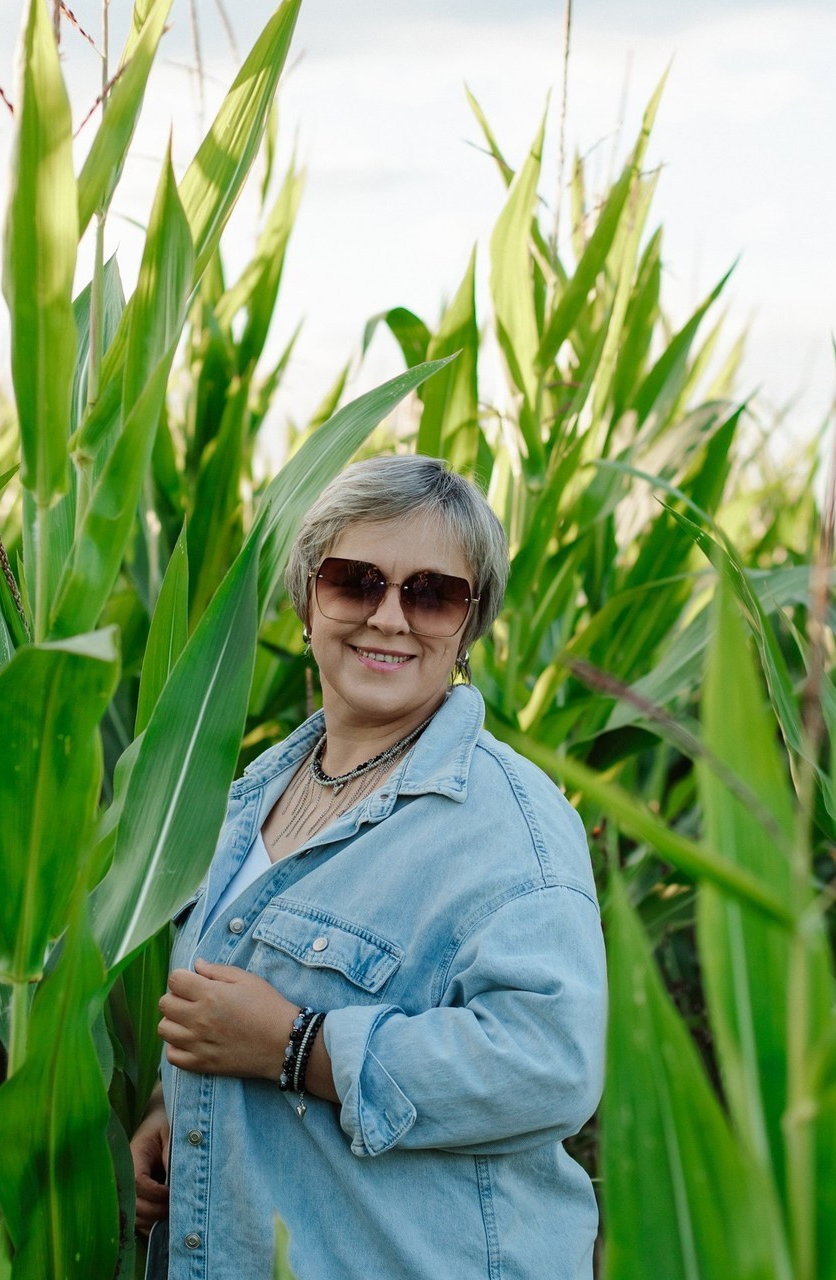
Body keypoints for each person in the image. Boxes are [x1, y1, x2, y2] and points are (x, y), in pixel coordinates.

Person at [130, 455, 606, 1279]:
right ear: (307, 603)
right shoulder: (247, 793)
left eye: (431, 593)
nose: (390, 617)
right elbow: (224, 1006)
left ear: (468, 626)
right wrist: (181, 1114)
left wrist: (296, 1047)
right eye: (356, 582)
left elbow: (549, 1065)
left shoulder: (509, 827)